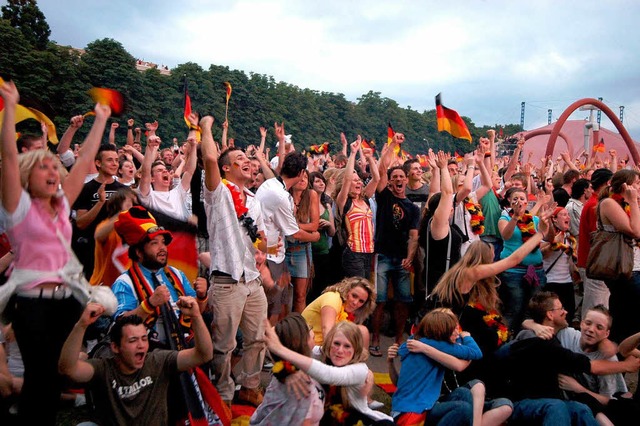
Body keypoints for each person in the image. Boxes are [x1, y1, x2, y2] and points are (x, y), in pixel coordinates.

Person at [0, 80, 111, 425]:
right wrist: (10, 106)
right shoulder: (16, 207)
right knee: (40, 379)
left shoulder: (62, 204)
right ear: (25, 176)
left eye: (53, 166)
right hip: (32, 302)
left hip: (66, 301)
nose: (52, 171)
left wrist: (101, 120)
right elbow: (6, 154)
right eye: (42, 167)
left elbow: (85, 162)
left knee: (55, 374)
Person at [200, 116, 270, 407]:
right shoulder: (218, 194)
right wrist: (205, 127)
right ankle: (222, 393)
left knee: (258, 338)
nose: (247, 161)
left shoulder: (254, 199)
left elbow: (262, 237)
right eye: (239, 158)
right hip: (227, 283)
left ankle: (250, 385)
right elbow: (209, 159)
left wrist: (262, 250)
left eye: (248, 158)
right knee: (224, 346)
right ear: (227, 168)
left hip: (252, 281)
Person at [58, 301, 213, 426]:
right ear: (115, 347)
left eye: (144, 339)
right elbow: (68, 369)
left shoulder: (159, 361)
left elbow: (203, 355)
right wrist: (82, 325)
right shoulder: (103, 368)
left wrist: (196, 316)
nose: (141, 345)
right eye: (133, 340)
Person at [503, 292, 640, 425]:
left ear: (607, 333)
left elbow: (610, 402)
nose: (591, 329)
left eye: (599, 327)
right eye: (588, 323)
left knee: (584, 405)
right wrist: (626, 366)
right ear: (581, 324)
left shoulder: (607, 358)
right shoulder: (560, 336)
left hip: (589, 404)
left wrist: (578, 388)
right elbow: (590, 365)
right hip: (531, 400)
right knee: (562, 407)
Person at [264, 320, 394, 425]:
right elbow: (291, 349)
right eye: (336, 343)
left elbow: (329, 375)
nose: (339, 350)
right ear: (329, 343)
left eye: (347, 346)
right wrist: (287, 373)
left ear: (356, 349)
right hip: (325, 418)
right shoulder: (323, 354)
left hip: (355, 419)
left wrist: (280, 349)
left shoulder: (360, 370)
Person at [111, 205, 206, 346]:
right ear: (138, 252)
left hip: (184, 342)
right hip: (150, 350)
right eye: (154, 243)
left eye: (163, 242)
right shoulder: (124, 282)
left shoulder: (177, 274)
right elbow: (121, 324)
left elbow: (197, 311)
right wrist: (149, 304)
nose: (162, 248)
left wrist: (201, 297)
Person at [370, 132, 420, 356]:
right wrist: (392, 145)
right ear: (390, 181)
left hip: (401, 259)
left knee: (403, 301)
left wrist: (410, 256)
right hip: (382, 255)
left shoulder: (412, 208)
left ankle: (399, 340)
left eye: (402, 177)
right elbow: (381, 169)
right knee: (379, 301)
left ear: (406, 180)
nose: (399, 180)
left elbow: (413, 235)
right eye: (395, 177)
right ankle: (375, 339)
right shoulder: (384, 196)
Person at [391, 308, 483, 425]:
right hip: (411, 411)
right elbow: (476, 353)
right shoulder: (439, 344)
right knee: (463, 408)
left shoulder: (421, 341)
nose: (457, 332)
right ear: (441, 330)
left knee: (463, 393)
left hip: (420, 403)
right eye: (453, 328)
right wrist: (467, 337)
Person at [250, 313, 325, 425]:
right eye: (308, 327)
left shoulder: (293, 363)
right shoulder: (298, 382)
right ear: (300, 340)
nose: (312, 330)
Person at [498, 186, 551, 333]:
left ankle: (529, 337)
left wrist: (548, 221)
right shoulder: (505, 218)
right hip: (513, 272)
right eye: (515, 199)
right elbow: (506, 235)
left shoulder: (534, 219)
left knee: (534, 309)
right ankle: (507, 339)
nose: (519, 201)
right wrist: (515, 216)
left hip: (536, 271)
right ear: (509, 202)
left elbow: (549, 237)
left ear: (527, 203)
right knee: (515, 308)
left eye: (522, 199)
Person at [595, 169, 640, 342]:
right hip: (623, 268)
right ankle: (619, 355)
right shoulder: (609, 203)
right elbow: (635, 231)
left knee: (629, 315)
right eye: (636, 183)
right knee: (627, 317)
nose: (638, 187)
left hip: (634, 266)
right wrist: (633, 201)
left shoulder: (629, 204)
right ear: (625, 186)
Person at [72, 143, 126, 278]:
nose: (114, 164)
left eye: (116, 160)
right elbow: (80, 223)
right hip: (92, 251)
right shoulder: (86, 189)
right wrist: (100, 203)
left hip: (118, 251)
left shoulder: (124, 190)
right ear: (98, 163)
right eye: (109, 160)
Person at [333, 134, 380, 280]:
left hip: (368, 252)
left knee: (365, 291)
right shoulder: (344, 201)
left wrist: (371, 158)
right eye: (355, 181)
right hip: (353, 253)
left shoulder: (365, 199)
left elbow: (376, 179)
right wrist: (353, 153)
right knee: (357, 289)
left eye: (359, 180)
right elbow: (347, 179)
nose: (358, 182)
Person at [138, 127, 197, 222]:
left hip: (179, 235)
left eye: (165, 170)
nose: (165, 171)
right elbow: (145, 173)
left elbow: (190, 172)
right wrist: (149, 148)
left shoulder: (178, 193)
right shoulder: (148, 197)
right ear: (152, 179)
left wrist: (194, 147)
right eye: (159, 170)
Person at [576, 169, 613, 316]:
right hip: (594, 264)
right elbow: (597, 237)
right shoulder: (596, 206)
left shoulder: (597, 203)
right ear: (608, 183)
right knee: (595, 310)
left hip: (595, 263)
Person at [302, 277, 376, 346]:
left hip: (323, 346)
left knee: (363, 331)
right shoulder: (333, 298)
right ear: (347, 290)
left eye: (361, 301)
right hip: (308, 346)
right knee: (362, 331)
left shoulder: (349, 311)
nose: (355, 303)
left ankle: (359, 360)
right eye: (354, 296)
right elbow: (327, 330)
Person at [89, 187, 138, 288]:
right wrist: (122, 213)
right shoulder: (107, 225)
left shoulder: (136, 228)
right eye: (130, 202)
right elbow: (98, 235)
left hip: (126, 288)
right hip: (103, 289)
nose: (133, 206)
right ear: (117, 204)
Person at [287, 169, 319, 312]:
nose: (303, 180)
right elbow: (313, 233)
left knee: (300, 296)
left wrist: (290, 226)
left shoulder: (311, 195)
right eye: (300, 176)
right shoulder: (284, 195)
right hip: (283, 250)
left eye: (306, 177)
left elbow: (314, 225)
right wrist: (310, 235)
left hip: (302, 251)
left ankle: (299, 330)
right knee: (283, 296)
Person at [541, 207, 578, 322]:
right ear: (555, 220)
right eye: (563, 215)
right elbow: (542, 254)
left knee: (569, 314)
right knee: (552, 317)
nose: (568, 217)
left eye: (568, 214)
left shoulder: (570, 237)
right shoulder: (547, 235)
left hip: (567, 282)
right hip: (551, 282)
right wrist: (554, 243)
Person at [308, 171, 336, 302]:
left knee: (322, 288)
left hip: (324, 252)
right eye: (317, 181)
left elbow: (332, 232)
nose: (321, 183)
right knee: (309, 290)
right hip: (309, 252)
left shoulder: (327, 205)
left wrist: (328, 224)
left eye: (322, 181)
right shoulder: (305, 205)